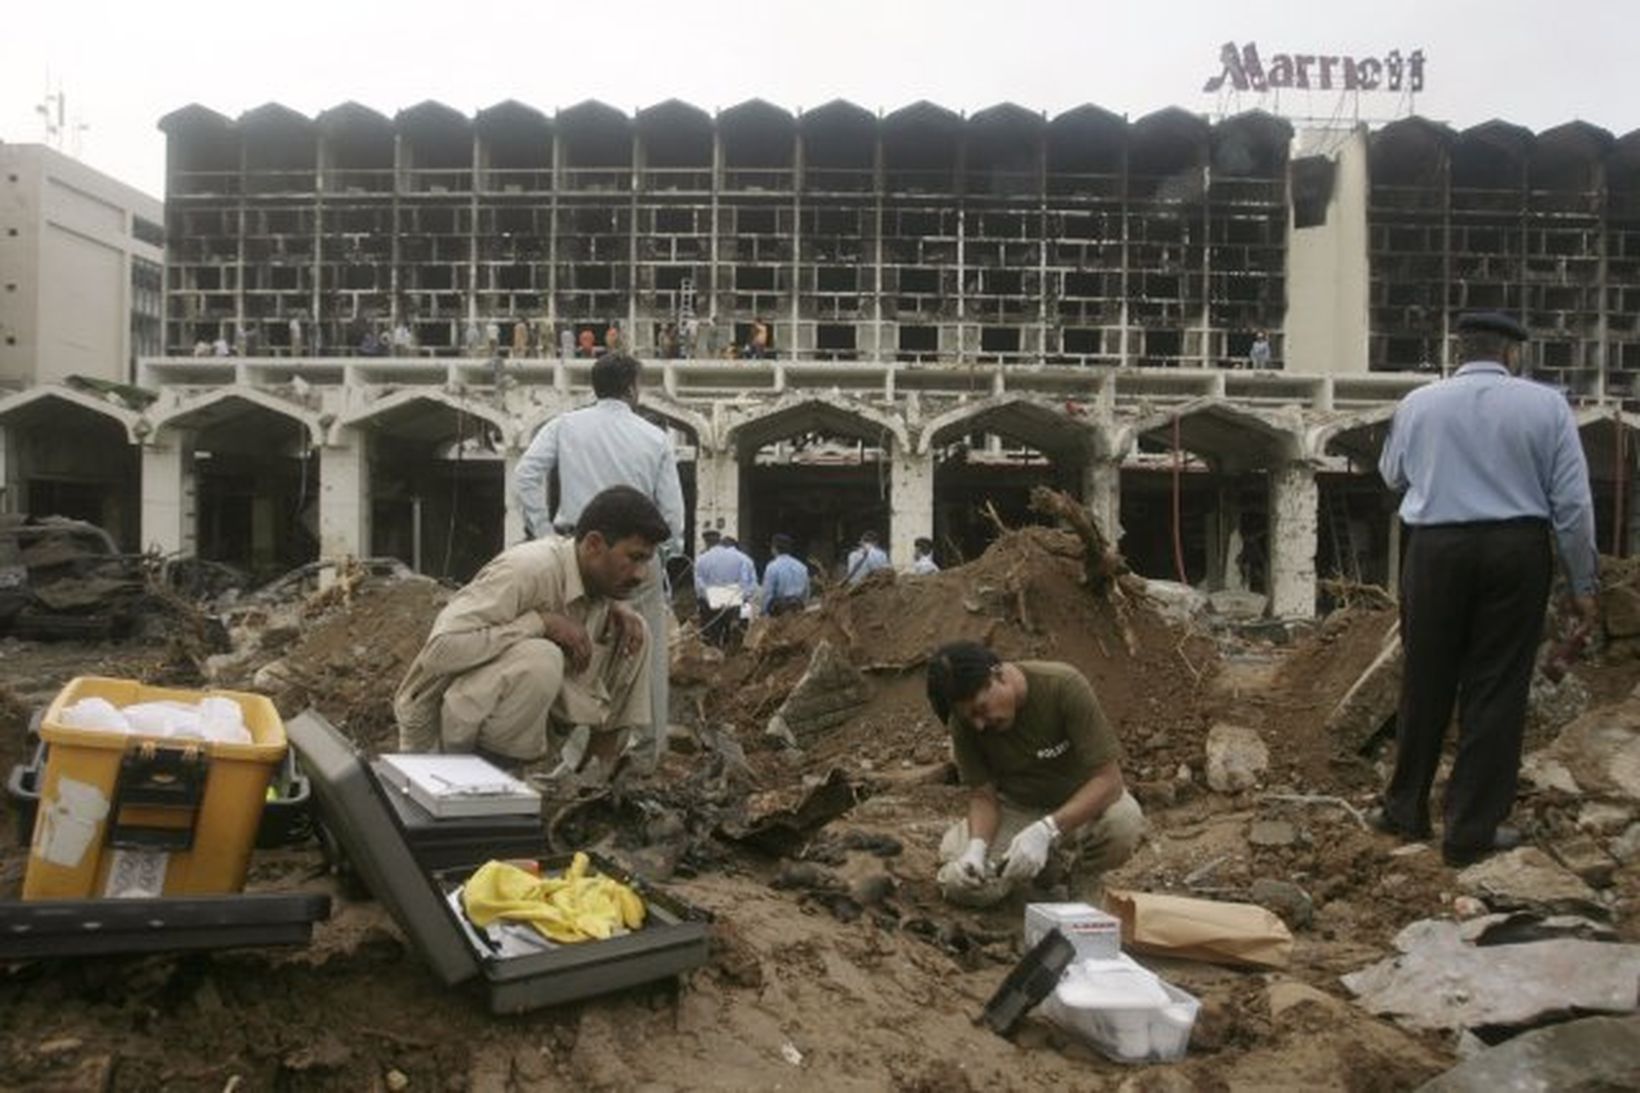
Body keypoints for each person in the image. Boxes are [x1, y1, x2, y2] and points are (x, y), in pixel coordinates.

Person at [1373, 311, 1600, 868]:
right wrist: (1582, 582)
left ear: (1462, 350)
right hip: (1514, 551)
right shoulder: (1546, 406)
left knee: (1426, 676)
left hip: (1435, 549)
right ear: (1512, 354)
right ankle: (1471, 830)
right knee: (1495, 687)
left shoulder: (1419, 403)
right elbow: (1572, 504)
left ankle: (1405, 808)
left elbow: (1391, 475)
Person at [393, 486, 666, 777]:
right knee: (540, 657)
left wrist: (614, 605)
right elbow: (439, 653)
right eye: (634, 558)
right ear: (594, 545)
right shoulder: (527, 570)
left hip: (521, 732)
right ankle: (492, 789)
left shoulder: (599, 586)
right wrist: (541, 624)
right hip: (439, 738)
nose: (641, 574)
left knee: (635, 635)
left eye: (646, 561)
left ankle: (592, 781)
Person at [511, 353, 686, 773]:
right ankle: (644, 755)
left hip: (580, 553)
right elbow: (673, 512)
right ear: (632, 387)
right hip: (635, 557)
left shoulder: (565, 425)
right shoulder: (653, 436)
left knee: (579, 652)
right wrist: (661, 553)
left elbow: (527, 475)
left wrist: (545, 535)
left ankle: (569, 758)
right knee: (644, 654)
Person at [926, 641, 1145, 907]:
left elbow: (1109, 781)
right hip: (1018, 808)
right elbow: (983, 797)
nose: (980, 724)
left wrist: (1046, 830)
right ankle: (1042, 873)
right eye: (969, 719)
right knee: (961, 885)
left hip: (1081, 807)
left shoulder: (1062, 685)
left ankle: (1083, 877)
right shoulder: (966, 725)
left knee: (1123, 822)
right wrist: (976, 848)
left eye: (981, 709)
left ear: (997, 675)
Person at [693, 530, 757, 647]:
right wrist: (739, 598)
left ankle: (714, 656)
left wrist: (713, 597)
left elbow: (699, 588)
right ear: (719, 540)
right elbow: (746, 583)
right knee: (733, 639)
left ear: (705, 542)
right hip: (734, 601)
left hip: (711, 604)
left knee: (712, 639)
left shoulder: (701, 560)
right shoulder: (739, 558)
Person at [761, 533, 810, 616]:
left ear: (774, 549)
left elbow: (767, 594)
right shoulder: (802, 567)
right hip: (797, 611)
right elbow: (806, 593)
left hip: (779, 612)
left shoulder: (772, 567)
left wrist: (764, 611)